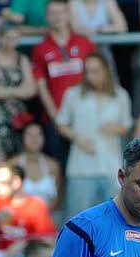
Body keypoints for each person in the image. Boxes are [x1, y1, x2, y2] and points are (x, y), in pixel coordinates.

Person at [55, 52, 132, 216]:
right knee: (78, 220)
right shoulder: (73, 94)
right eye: (88, 71)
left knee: (115, 219)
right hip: (80, 168)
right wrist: (77, 138)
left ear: (106, 70)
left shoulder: (120, 95)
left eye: (96, 71)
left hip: (111, 166)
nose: (91, 76)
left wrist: (115, 128)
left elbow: (126, 125)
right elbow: (61, 124)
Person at [31, 0, 96, 162]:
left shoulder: (84, 43)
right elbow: (41, 86)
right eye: (53, 13)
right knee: (58, 167)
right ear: (47, 16)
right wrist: (57, 119)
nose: (57, 17)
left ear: (68, 14)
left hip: (85, 115)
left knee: (85, 163)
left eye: (61, 12)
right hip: (55, 119)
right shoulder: (41, 48)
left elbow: (96, 77)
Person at [0, 22, 36, 158]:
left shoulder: (22, 59)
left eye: (16, 38)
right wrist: (18, 90)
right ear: (0, 38)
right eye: (9, 38)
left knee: (21, 156)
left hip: (20, 117)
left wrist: (2, 90)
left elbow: (31, 90)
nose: (13, 42)